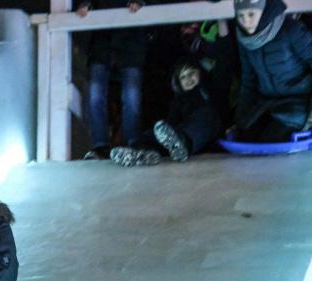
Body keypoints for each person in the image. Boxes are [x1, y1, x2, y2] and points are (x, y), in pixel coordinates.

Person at [232, 0, 312, 144]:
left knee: (273, 138)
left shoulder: (290, 30)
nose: (246, 21)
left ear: (264, 12)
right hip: (269, 104)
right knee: (247, 137)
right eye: (241, 16)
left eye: (251, 14)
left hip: (301, 101)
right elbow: (248, 82)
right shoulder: (244, 41)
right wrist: (240, 122)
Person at [110, 59, 222, 166]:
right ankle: (143, 153)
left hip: (202, 136)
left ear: (200, 72)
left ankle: (182, 143)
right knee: (155, 132)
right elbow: (171, 125)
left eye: (191, 73)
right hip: (179, 136)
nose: (188, 79)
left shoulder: (208, 90)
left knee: (207, 116)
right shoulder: (178, 102)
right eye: (183, 77)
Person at [76, 0, 150, 160]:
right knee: (95, 96)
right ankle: (100, 146)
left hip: (131, 44)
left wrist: (140, 3)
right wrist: (85, 4)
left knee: (131, 96)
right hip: (102, 45)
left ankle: (133, 143)